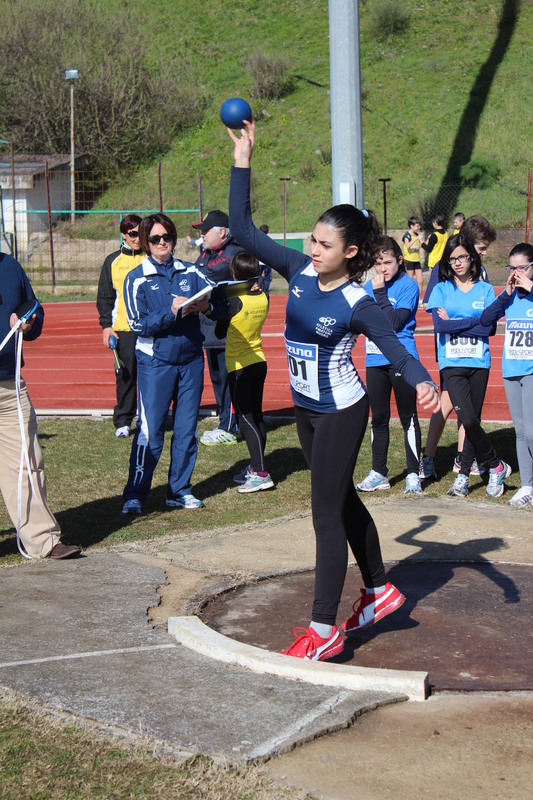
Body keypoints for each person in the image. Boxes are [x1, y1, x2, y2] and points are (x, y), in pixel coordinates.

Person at [227, 120, 440, 662]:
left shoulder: (358, 304)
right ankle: (381, 590)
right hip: (306, 409)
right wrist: (243, 159)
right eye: (313, 239)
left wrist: (422, 385)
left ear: (350, 253)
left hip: (343, 411)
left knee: (324, 513)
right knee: (341, 499)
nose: (313, 247)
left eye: (325, 244)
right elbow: (242, 228)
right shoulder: (298, 270)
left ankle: (323, 629)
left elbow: (396, 349)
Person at [121, 214, 229, 514]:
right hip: (156, 363)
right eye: (155, 238)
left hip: (192, 360)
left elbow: (221, 302)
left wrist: (207, 305)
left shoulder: (191, 271)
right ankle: (135, 494)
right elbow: (137, 324)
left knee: (186, 430)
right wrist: (172, 312)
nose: (162, 243)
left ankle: (179, 490)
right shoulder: (137, 278)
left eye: (167, 236)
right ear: (145, 242)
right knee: (150, 431)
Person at [0, 253, 80, 559]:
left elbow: (34, 310)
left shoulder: (9, 266)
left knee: (28, 464)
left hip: (9, 386)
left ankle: (42, 542)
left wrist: (29, 322)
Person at [425, 233, 511, 498]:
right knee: (468, 418)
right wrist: (474, 322)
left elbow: (491, 328)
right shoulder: (441, 289)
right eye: (452, 259)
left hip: (479, 362)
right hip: (452, 363)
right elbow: (440, 326)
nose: (458, 263)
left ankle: (462, 477)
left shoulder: (485, 289)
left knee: (474, 418)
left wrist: (456, 322)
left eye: (462, 257)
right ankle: (496, 464)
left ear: (471, 258)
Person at [420, 216, 497, 479]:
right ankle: (428, 457)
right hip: (450, 352)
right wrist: (457, 327)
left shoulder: (481, 276)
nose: (484, 253)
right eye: (482, 247)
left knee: (468, 409)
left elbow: (488, 325)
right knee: (447, 402)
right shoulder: (442, 273)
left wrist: (461, 323)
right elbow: (439, 320)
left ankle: (465, 458)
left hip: (475, 353)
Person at [357, 236, 422, 495]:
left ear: (400, 260)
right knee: (379, 418)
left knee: (408, 417)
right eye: (377, 263)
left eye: (387, 262)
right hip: (374, 359)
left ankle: (414, 473)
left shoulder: (408, 286)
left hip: (401, 359)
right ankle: (379, 472)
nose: (382, 269)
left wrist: (380, 292)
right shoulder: (368, 287)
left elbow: (394, 322)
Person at [480, 243, 533, 506]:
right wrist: (505, 294)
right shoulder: (510, 296)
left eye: (521, 268)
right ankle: (527, 486)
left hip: (532, 371)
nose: (515, 273)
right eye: (511, 268)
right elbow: (486, 319)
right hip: (511, 370)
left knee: (532, 432)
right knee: (521, 432)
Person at [215, 252, 273, 493]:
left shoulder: (235, 301)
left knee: (245, 419)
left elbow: (219, 332)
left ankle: (260, 472)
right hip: (258, 361)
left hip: (239, 367)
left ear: (235, 274)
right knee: (256, 416)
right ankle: (255, 466)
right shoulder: (264, 297)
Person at [191, 210, 243, 446]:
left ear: (221, 232)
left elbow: (203, 274)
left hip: (226, 326)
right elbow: (197, 273)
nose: (201, 235)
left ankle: (231, 426)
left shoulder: (232, 252)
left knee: (228, 377)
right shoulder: (207, 253)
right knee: (218, 379)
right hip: (208, 327)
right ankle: (226, 422)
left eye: (205, 230)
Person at [97, 214, 144, 438]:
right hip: (124, 329)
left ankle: (149, 417)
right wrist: (106, 326)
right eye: (133, 234)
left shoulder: (152, 257)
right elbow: (105, 298)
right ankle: (124, 420)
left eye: (141, 233)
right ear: (124, 235)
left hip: (151, 328)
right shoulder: (112, 262)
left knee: (153, 375)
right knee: (126, 375)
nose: (138, 238)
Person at [402, 216, 424, 305]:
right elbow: (407, 246)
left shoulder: (418, 235)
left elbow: (423, 245)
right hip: (409, 260)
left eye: (419, 226)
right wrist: (415, 238)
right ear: (411, 226)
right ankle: (409, 297)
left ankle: (419, 298)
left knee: (420, 280)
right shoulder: (407, 235)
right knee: (410, 280)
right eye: (417, 226)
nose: (418, 228)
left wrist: (424, 241)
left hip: (416, 260)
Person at [258, 224, 273, 293]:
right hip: (267, 262)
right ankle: (265, 290)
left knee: (258, 277)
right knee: (267, 277)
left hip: (259, 262)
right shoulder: (269, 241)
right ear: (268, 231)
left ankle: (258, 289)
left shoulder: (257, 240)